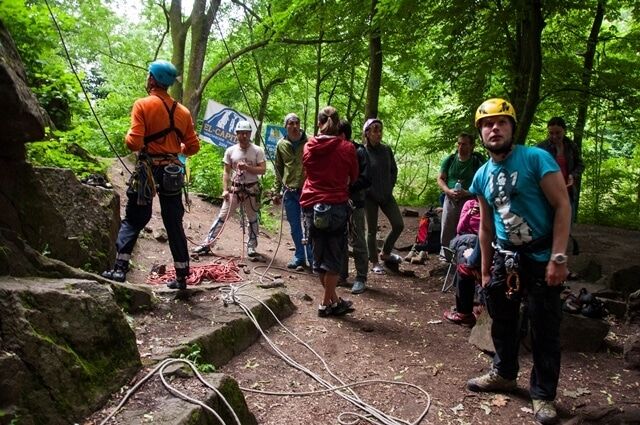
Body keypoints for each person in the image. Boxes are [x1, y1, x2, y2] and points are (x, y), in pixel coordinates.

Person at [466, 98, 571, 425]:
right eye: (486, 124)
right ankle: (504, 372)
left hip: (542, 257)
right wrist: (485, 270)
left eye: (501, 122)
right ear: (481, 133)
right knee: (502, 319)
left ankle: (542, 394)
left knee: (544, 326)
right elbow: (484, 225)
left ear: (513, 127)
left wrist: (558, 257)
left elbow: (563, 206)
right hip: (505, 258)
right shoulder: (482, 175)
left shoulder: (536, 159)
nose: (493, 128)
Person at [101, 60, 200, 289]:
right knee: (173, 221)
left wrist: (136, 138)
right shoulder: (183, 112)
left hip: (148, 170)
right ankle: (182, 276)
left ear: (153, 79)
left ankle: (119, 269)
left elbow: (132, 142)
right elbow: (193, 147)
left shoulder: (143, 105)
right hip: (172, 171)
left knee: (135, 218)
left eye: (149, 75)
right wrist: (177, 151)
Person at [300, 106, 358, 317]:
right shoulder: (347, 147)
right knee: (333, 258)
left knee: (319, 255)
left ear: (319, 123)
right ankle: (325, 304)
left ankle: (334, 301)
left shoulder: (308, 147)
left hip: (311, 204)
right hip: (336, 205)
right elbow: (354, 175)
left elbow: (308, 170)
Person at [193, 120, 266, 258]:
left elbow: (262, 169)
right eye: (241, 133)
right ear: (236, 134)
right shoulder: (230, 151)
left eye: (247, 133)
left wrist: (247, 168)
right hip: (235, 189)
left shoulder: (257, 150)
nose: (244, 136)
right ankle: (208, 243)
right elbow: (226, 172)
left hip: (251, 189)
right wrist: (225, 189)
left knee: (252, 218)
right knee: (222, 216)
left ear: (250, 134)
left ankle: (251, 246)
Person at [362, 118, 404, 274]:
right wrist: (369, 191)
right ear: (367, 133)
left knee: (398, 224)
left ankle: (385, 252)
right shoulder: (362, 151)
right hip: (370, 197)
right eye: (374, 130)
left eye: (380, 130)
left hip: (386, 194)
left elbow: (394, 170)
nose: (378, 133)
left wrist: (390, 186)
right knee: (371, 230)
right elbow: (360, 176)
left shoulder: (386, 150)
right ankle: (374, 262)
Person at [273, 113, 312, 271]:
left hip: (308, 190)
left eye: (297, 123)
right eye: (291, 123)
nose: (294, 126)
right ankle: (299, 256)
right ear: (285, 127)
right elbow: (278, 169)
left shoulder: (310, 142)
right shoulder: (281, 145)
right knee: (295, 225)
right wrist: (276, 191)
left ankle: (312, 257)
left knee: (309, 225)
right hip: (289, 191)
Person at [437, 133, 484, 255]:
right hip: (450, 198)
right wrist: (448, 191)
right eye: (459, 143)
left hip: (469, 200)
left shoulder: (476, 161)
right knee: (447, 226)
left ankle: (464, 253)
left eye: (464, 144)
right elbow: (440, 178)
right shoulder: (450, 160)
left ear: (472, 146)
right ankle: (446, 255)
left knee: (466, 227)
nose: (460, 146)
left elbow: (483, 182)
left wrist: (467, 192)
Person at [338, 119, 371, 294]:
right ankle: (342, 275)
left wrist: (349, 187)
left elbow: (366, 178)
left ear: (342, 135)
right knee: (340, 238)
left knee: (358, 240)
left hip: (355, 203)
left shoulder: (360, 152)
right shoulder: (336, 150)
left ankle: (361, 277)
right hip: (338, 202)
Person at [537, 117, 585, 223]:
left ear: (564, 131)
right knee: (547, 227)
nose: (554, 136)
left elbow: (580, 164)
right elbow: (534, 169)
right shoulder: (541, 148)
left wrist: (573, 175)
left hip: (568, 193)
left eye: (558, 133)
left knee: (566, 225)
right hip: (547, 193)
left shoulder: (571, 146)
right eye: (551, 133)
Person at [443, 198, 480, 327]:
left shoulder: (492, 209)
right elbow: (460, 228)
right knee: (473, 240)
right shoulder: (469, 204)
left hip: (476, 247)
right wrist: (470, 213)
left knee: (465, 261)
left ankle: (464, 313)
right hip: (463, 238)